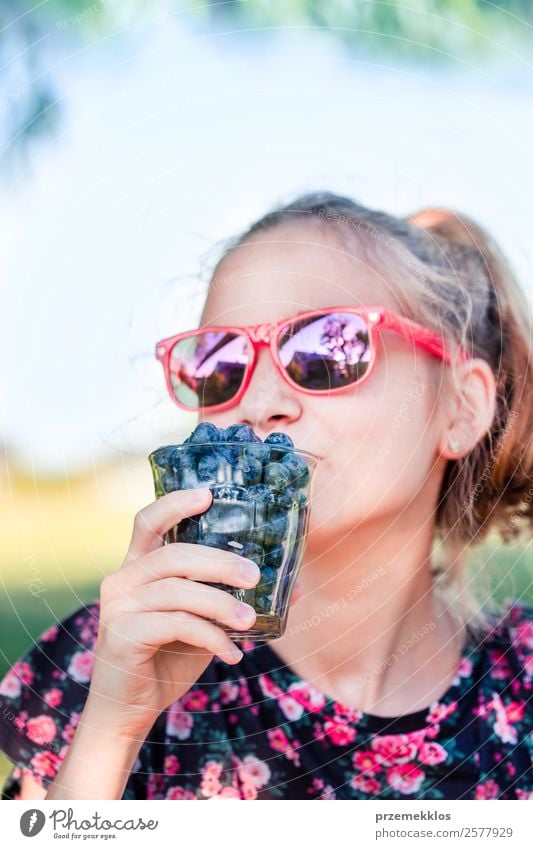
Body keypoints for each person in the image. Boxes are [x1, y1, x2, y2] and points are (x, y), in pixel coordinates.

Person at [1, 191, 532, 800]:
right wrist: (111, 733)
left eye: (324, 349)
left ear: (461, 409)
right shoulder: (119, 654)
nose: (257, 404)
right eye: (220, 365)